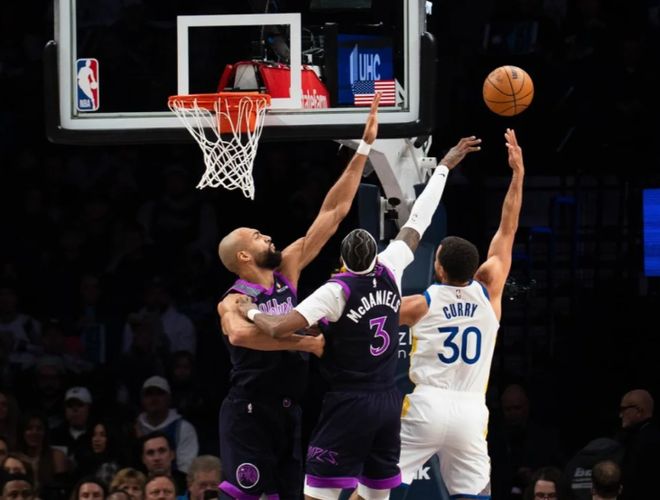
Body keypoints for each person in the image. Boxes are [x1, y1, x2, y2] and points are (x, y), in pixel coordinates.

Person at [236, 135, 482, 500]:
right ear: (374, 255)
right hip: (388, 402)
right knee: (373, 495)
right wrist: (444, 165)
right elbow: (420, 217)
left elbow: (276, 328)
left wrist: (250, 309)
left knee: (316, 494)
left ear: (343, 261)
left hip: (349, 402)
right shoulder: (392, 264)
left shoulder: (335, 291)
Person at [215, 94, 383, 500]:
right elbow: (240, 336)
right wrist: (304, 343)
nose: (268, 237)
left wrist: (364, 148)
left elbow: (332, 213)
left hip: (289, 409)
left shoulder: (286, 270)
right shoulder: (234, 300)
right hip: (249, 409)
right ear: (243, 256)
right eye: (258, 236)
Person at [395, 128, 524, 499]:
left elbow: (371, 313)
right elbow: (508, 228)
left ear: (438, 269)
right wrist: (518, 175)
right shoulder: (489, 290)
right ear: (474, 267)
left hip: (427, 406)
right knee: (476, 493)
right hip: (470, 410)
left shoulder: (421, 303)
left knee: (380, 490)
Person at [616, 389, 660, 499]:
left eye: (624, 409)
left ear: (639, 411)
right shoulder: (640, 436)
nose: (620, 415)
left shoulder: (643, 441)